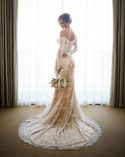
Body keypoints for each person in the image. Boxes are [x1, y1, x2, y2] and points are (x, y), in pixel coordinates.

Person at [18, 13, 101, 149]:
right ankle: (67, 114)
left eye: (63, 23)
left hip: (63, 62)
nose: (62, 26)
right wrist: (69, 55)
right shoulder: (74, 33)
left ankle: (61, 116)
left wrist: (58, 63)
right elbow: (76, 48)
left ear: (67, 21)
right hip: (71, 62)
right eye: (60, 24)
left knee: (62, 89)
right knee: (67, 89)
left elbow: (62, 48)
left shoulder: (63, 32)